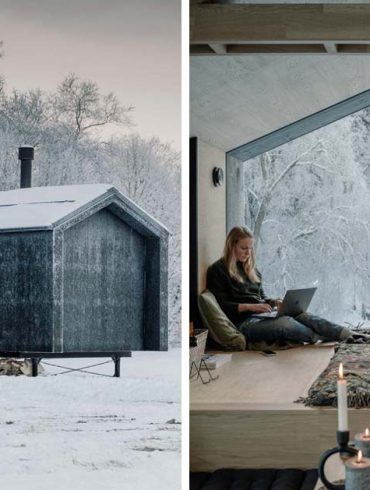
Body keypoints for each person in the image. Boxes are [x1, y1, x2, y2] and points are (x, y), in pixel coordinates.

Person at [206, 226, 353, 345]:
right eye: (244, 248)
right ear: (232, 246)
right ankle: (325, 336)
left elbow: (260, 297)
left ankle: (347, 334)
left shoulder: (251, 270)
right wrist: (250, 307)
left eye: (250, 248)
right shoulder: (217, 271)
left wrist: (273, 302)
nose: (248, 253)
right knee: (286, 323)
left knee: (302, 315)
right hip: (243, 323)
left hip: (260, 316)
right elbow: (221, 307)